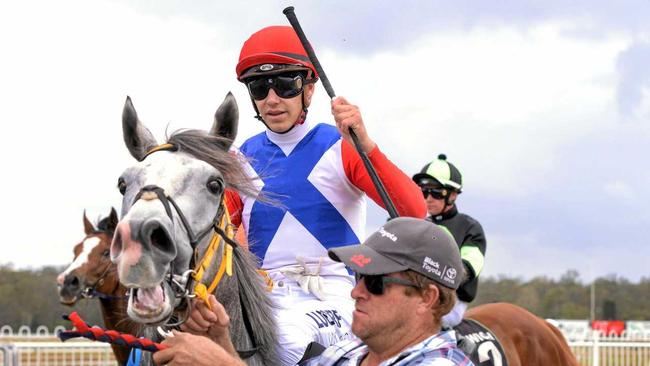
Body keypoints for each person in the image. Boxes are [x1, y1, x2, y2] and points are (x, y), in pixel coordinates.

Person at [223, 25, 426, 365]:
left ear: (310, 89)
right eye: (259, 87)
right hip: (264, 295)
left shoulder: (341, 147)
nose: (272, 99)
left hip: (333, 292)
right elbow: (222, 238)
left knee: (285, 340)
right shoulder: (239, 159)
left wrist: (365, 144)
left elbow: (414, 210)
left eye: (285, 84)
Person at [153, 218, 474, 366]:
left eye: (376, 283)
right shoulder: (345, 355)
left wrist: (221, 364)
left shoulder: (441, 364)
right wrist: (220, 340)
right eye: (359, 276)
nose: (356, 292)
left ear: (427, 298)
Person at [412, 154, 486, 328]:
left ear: (452, 195)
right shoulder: (409, 222)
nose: (429, 198)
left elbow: (467, 269)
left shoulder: (470, 227)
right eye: (424, 191)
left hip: (450, 300)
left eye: (436, 192)